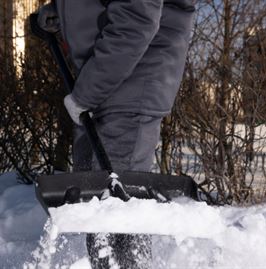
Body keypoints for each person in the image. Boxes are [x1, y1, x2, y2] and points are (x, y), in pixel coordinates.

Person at [38, 0, 196, 268]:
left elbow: (136, 21)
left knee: (113, 217)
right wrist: (60, 10)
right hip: (104, 84)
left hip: (130, 84)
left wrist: (86, 94)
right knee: (101, 210)